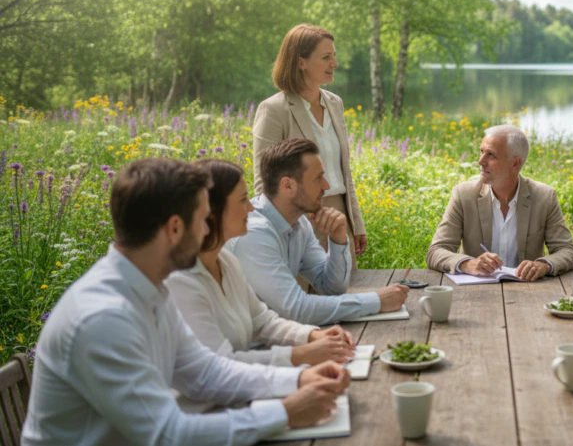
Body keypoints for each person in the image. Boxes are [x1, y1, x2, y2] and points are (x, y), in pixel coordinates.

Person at [22, 158, 349, 446]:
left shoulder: (150, 288)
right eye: (204, 219)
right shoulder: (103, 319)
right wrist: (285, 412)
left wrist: (299, 379)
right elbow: (167, 435)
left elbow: (205, 372)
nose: (209, 230)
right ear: (175, 228)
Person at [168, 159, 356, 368]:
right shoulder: (181, 280)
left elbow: (264, 322)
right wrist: (302, 355)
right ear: (211, 212)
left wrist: (312, 336)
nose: (250, 208)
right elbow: (217, 365)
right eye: (242, 200)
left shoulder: (226, 262)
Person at [232, 139, 408, 325]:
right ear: (288, 186)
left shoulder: (298, 222)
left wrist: (338, 238)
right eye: (318, 178)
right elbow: (296, 309)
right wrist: (376, 301)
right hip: (240, 348)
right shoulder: (254, 234)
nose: (326, 186)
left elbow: (332, 287)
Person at [253, 23, 367, 260]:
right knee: (301, 296)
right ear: (301, 62)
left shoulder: (335, 104)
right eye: (326, 57)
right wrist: (280, 233)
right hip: (296, 223)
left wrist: (356, 224)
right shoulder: (274, 109)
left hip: (338, 220)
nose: (334, 64)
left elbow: (344, 172)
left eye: (334, 56)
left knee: (344, 293)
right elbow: (263, 182)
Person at [427, 125, 573, 280]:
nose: (481, 161)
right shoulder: (463, 195)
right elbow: (436, 251)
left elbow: (568, 251)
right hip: (474, 292)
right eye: (481, 152)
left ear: (515, 164)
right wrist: (468, 264)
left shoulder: (544, 196)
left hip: (529, 291)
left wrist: (543, 265)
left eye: (491, 155)